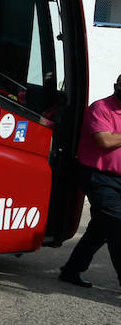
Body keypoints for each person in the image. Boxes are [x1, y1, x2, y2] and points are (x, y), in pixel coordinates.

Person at [59, 75, 121, 288]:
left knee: (101, 229)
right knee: (117, 226)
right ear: (116, 86)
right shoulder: (100, 108)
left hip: (118, 179)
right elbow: (104, 140)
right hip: (99, 177)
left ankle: (71, 270)